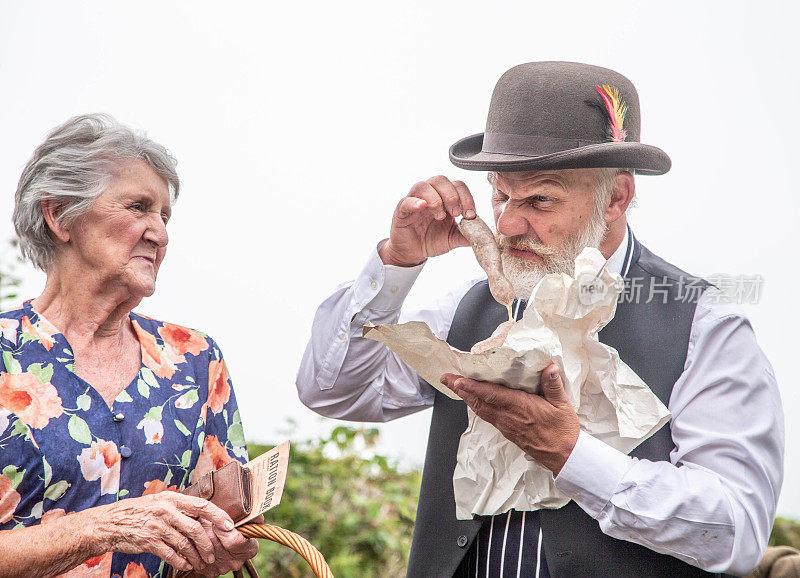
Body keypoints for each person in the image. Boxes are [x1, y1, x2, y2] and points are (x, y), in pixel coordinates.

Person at [295, 62, 785, 577]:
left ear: (616, 197)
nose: (506, 224)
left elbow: (736, 529)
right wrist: (397, 262)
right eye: (500, 194)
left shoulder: (705, 328)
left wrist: (571, 454)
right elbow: (332, 390)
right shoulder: (467, 307)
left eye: (540, 199)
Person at [0, 114, 258, 577]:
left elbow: (218, 539)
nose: (158, 233)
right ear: (59, 216)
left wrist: (220, 544)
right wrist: (104, 528)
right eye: (138, 207)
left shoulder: (196, 360)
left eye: (165, 215)